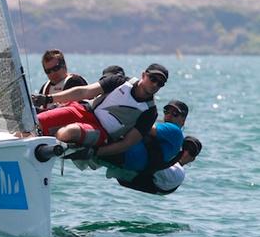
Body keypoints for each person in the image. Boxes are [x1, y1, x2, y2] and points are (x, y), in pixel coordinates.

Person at [34, 63, 169, 158]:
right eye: (153, 79)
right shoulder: (119, 81)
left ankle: (44, 153)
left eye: (160, 83)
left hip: (102, 132)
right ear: (144, 75)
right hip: (83, 111)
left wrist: (95, 152)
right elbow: (84, 92)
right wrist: (48, 99)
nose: (155, 84)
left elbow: (127, 143)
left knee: (69, 132)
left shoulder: (150, 112)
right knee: (37, 121)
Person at [106, 99, 189, 173]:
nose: (169, 115)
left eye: (175, 113)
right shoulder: (172, 138)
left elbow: (145, 127)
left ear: (183, 120)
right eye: (166, 111)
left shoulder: (175, 131)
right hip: (128, 162)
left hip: (126, 154)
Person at [117, 136, 202, 195]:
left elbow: (155, 163)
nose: (185, 152)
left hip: (128, 173)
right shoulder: (168, 158)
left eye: (191, 151)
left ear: (192, 159)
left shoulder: (179, 174)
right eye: (185, 147)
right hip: (126, 168)